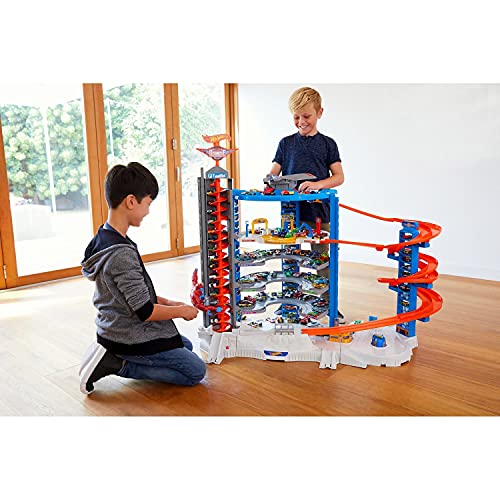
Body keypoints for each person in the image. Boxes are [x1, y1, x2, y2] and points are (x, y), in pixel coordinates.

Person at [79, 162, 206, 394]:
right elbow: (145, 311)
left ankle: (116, 355)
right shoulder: (121, 254)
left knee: (185, 345)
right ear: (131, 201)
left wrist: (170, 303)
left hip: (112, 325)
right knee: (195, 371)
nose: (148, 211)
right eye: (147, 203)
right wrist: (181, 312)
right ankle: (118, 364)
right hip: (125, 334)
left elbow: (131, 295)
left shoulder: (105, 236)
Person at [269, 86, 345, 323]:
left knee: (321, 260)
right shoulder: (285, 143)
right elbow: (273, 173)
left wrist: (317, 185)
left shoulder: (328, 144)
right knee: (289, 259)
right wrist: (270, 181)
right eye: (296, 117)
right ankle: (289, 304)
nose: (301, 122)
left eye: (306, 116)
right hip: (290, 215)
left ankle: (329, 304)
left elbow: (339, 177)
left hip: (319, 214)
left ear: (319, 113)